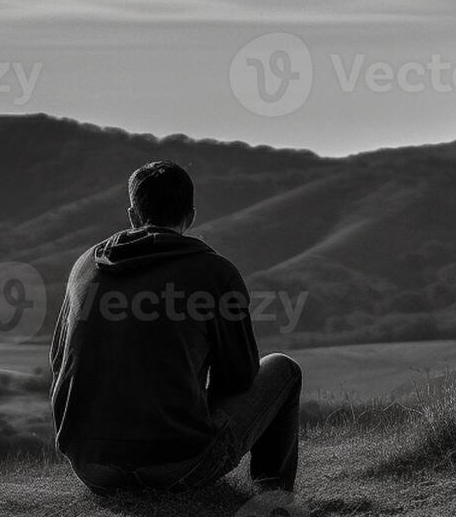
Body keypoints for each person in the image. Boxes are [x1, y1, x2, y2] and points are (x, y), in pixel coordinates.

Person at [50, 159, 301, 496]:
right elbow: (239, 378)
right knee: (283, 368)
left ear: (133, 215)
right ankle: (273, 498)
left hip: (92, 468)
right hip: (177, 467)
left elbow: (58, 360)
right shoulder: (215, 273)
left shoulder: (85, 266)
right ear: (191, 215)